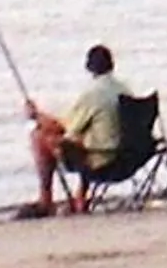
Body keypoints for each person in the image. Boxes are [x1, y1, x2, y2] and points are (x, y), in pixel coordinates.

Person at [21, 43, 130, 217]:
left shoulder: (93, 94)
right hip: (126, 158)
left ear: (89, 68)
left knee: (39, 137)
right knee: (86, 136)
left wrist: (36, 116)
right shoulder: (124, 89)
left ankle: (46, 200)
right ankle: (80, 197)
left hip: (102, 161)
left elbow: (64, 127)